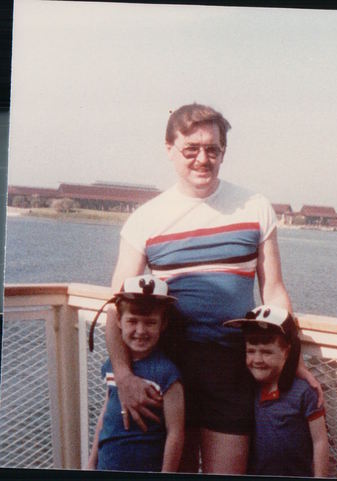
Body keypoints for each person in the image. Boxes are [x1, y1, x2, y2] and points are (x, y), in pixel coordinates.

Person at [104, 103, 322, 474]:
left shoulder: (255, 208)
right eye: (191, 149)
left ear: (224, 151)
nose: (203, 159)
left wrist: (294, 362)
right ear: (170, 149)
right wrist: (124, 376)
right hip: (170, 369)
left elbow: (273, 291)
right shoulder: (145, 219)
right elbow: (115, 307)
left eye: (213, 149)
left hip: (233, 367)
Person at [88, 275, 184, 472]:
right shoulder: (111, 366)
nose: (140, 330)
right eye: (132, 321)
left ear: (163, 324)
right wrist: (91, 461)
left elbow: (175, 433)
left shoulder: (167, 374)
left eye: (150, 323)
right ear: (119, 321)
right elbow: (106, 415)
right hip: (107, 465)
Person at [224, 305, 329, 477]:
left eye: (266, 352)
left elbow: (320, 442)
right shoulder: (249, 389)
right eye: (251, 351)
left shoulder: (304, 392)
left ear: (287, 352)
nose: (257, 359)